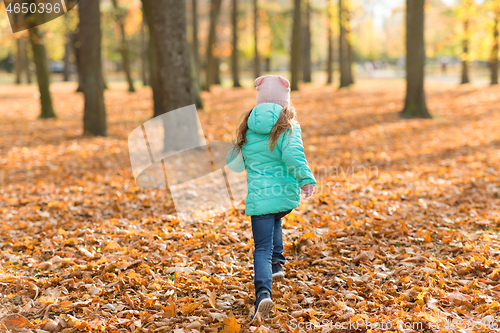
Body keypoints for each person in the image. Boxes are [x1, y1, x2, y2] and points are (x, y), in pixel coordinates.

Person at [227, 75, 316, 319]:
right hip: (283, 197)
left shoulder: (249, 125)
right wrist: (306, 179)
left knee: (262, 247)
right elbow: (294, 155)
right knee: (276, 216)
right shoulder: (288, 125)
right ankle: (277, 264)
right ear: (284, 102)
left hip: (259, 200)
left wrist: (238, 144)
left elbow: (234, 165)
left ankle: (263, 293)